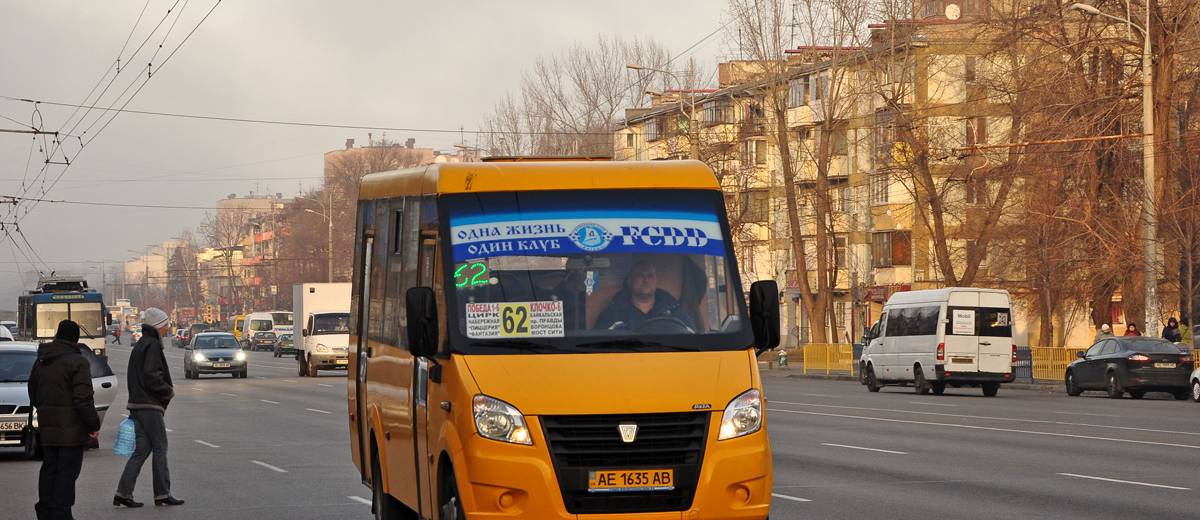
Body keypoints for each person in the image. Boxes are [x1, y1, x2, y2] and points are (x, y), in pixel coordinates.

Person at [27, 320, 100, 520]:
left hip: (48, 429)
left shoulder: (42, 359)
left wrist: (43, 410)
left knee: (49, 469)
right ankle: (61, 514)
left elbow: (32, 389)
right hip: (71, 432)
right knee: (67, 474)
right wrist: (93, 425)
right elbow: (83, 398)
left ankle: (45, 512)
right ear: (75, 339)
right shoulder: (78, 361)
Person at [114, 308, 184, 508]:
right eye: (165, 324)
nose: (167, 328)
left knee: (142, 450)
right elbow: (152, 375)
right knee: (160, 447)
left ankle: (123, 493)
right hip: (148, 405)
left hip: (137, 404)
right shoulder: (152, 345)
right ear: (158, 326)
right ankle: (162, 493)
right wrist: (167, 391)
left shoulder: (141, 344)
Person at [594, 260, 695, 331]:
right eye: (639, 275)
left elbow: (692, 340)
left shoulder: (676, 312)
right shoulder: (611, 315)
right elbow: (598, 348)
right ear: (630, 281)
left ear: (656, 281)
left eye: (650, 276)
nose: (645, 280)